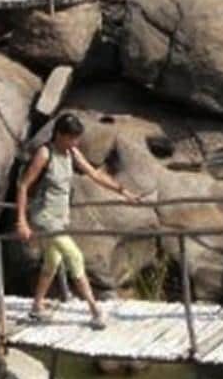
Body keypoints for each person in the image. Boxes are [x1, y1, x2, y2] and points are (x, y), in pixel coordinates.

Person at [16, 112, 141, 329]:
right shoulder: (45, 154)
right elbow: (23, 185)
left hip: (60, 217)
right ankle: (94, 310)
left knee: (53, 261)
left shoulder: (71, 153)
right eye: (72, 138)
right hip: (44, 217)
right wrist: (22, 221)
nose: (75, 142)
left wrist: (124, 192)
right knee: (74, 256)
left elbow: (94, 174)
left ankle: (36, 307)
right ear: (60, 135)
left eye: (77, 138)